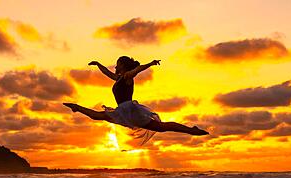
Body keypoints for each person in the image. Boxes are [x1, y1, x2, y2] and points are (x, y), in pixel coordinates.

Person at [64, 56, 208, 145]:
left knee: (162, 127)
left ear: (124, 66)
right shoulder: (119, 78)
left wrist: (150, 64)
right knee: (97, 116)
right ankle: (76, 107)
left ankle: (191, 130)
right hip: (123, 111)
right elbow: (107, 73)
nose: (115, 66)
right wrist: (98, 64)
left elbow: (137, 70)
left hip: (129, 110)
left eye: (118, 64)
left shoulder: (127, 76)